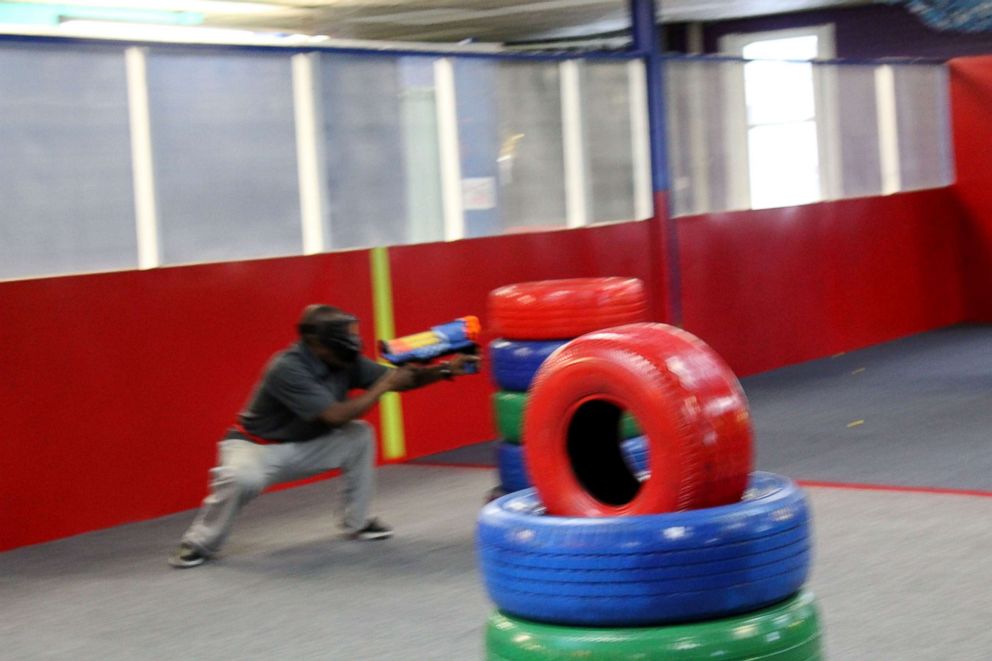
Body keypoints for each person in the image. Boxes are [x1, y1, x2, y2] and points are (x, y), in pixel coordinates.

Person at [169, 304, 479, 568]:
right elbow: (335, 415)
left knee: (359, 436)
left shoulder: (343, 358)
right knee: (240, 479)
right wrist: (385, 386)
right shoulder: (287, 367)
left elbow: (398, 379)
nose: (350, 345)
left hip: (305, 445)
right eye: (341, 340)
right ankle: (199, 543)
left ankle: (358, 522)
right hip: (256, 448)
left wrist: (446, 370)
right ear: (314, 344)